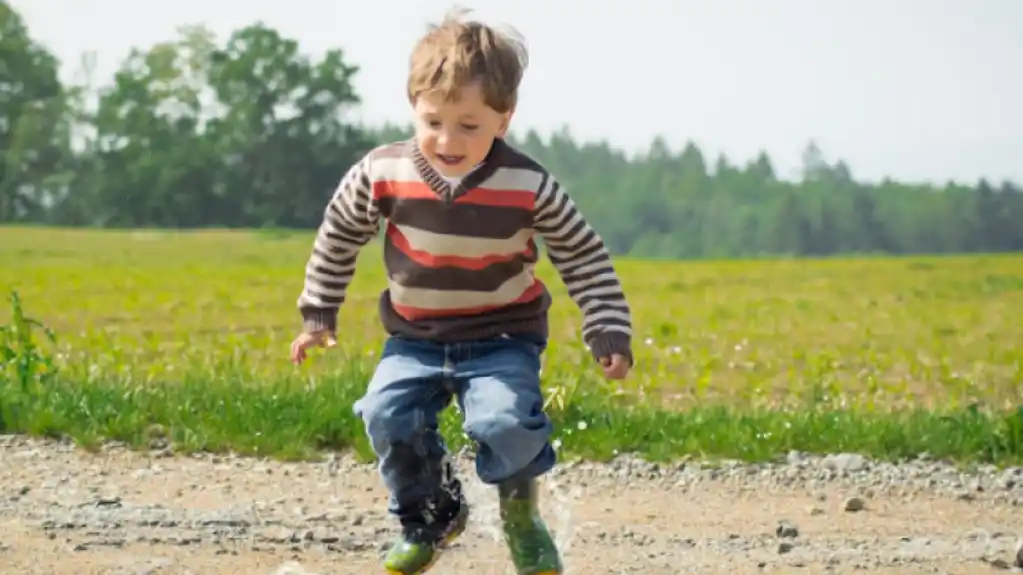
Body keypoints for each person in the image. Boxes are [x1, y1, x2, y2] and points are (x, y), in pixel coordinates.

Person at [289, 8, 633, 575]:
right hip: (414, 338)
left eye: (469, 125)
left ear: (504, 119)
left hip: (502, 337)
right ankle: (431, 516)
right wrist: (318, 314)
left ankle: (521, 517)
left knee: (503, 423)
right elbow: (339, 235)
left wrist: (607, 326)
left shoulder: (529, 184)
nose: (448, 140)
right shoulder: (383, 171)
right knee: (385, 414)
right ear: (414, 108)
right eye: (433, 121)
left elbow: (582, 254)